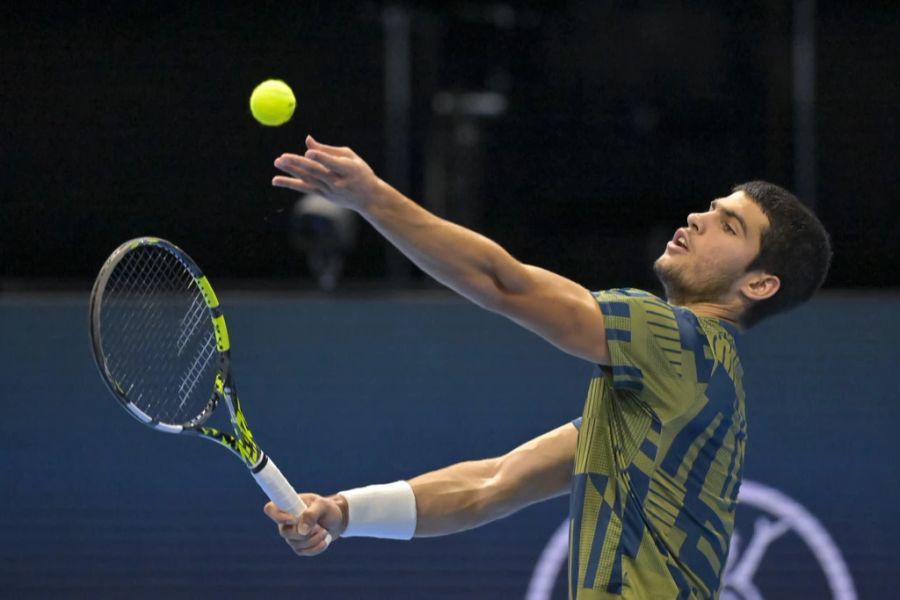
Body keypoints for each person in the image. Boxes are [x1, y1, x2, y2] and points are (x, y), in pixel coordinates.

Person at [263, 135, 832, 599]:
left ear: (759, 284)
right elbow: (492, 483)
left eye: (729, 226)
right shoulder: (684, 396)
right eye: (711, 208)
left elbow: (503, 283)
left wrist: (373, 199)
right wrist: (342, 511)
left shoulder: (678, 340)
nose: (698, 218)